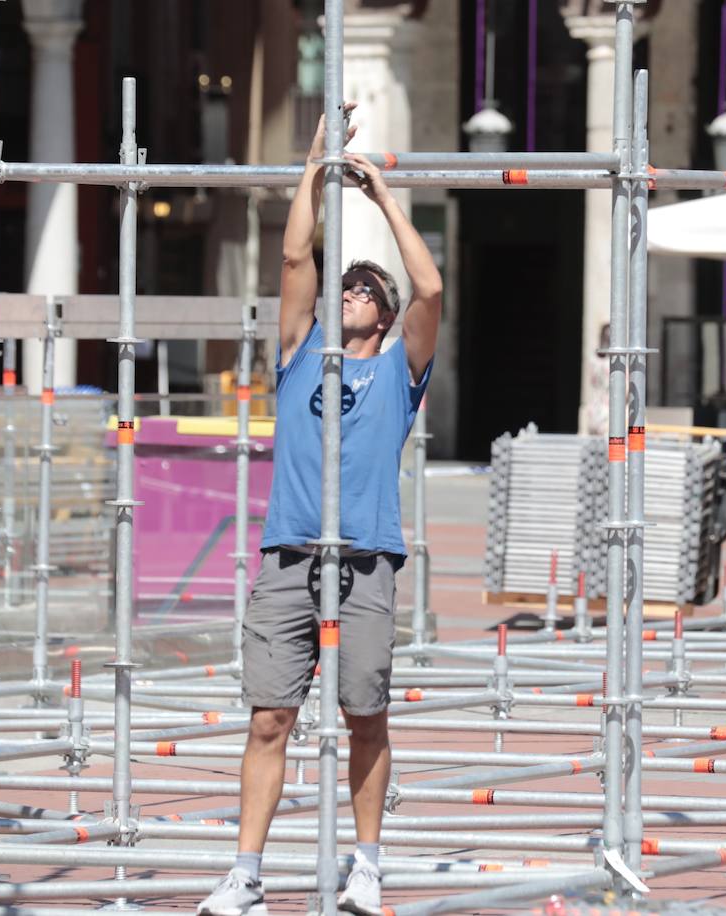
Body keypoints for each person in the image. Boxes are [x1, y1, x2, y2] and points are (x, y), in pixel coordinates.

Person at [198, 104, 442, 916]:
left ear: (385, 311)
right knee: (270, 718)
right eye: (347, 282)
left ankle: (365, 865)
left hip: (367, 556)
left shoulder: (400, 372)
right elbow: (294, 251)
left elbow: (431, 286)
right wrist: (314, 164)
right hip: (289, 555)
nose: (351, 289)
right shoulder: (301, 353)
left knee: (364, 713)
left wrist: (380, 197)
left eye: (367, 286)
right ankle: (246, 873)